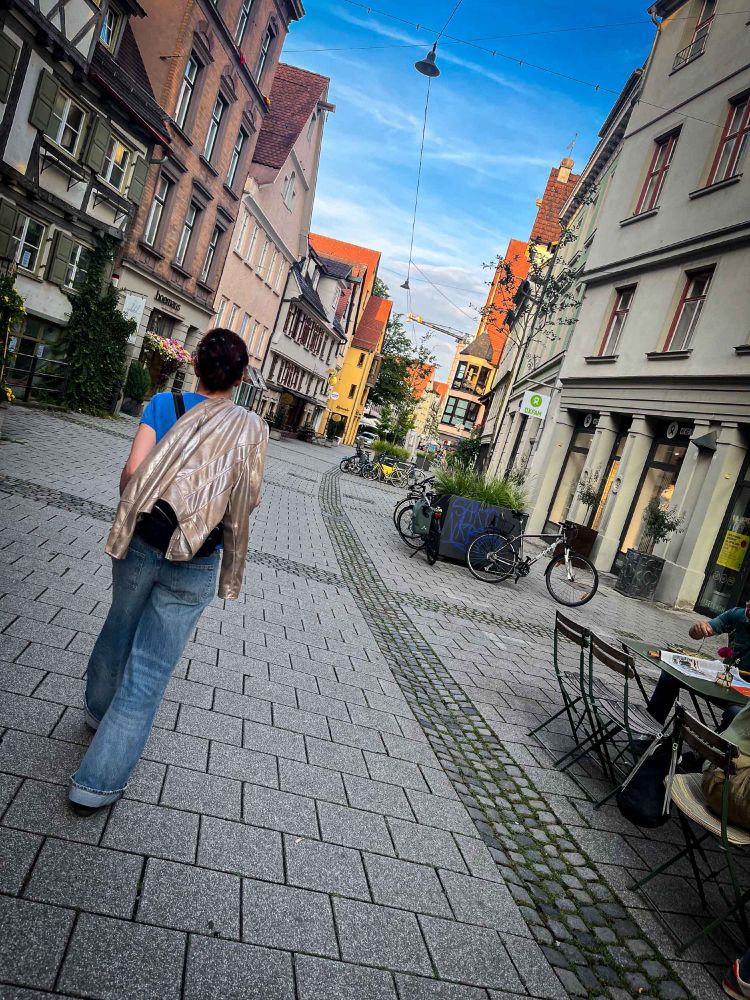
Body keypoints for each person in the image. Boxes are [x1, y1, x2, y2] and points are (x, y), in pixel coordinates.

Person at [68, 328, 268, 815]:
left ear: (196, 365)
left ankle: (98, 712)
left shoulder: (162, 403)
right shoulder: (250, 428)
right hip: (197, 558)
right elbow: (249, 500)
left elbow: (132, 473)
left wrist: (139, 514)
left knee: (120, 625)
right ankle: (95, 784)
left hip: (142, 541)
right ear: (240, 377)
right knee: (151, 670)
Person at [647, 602, 750, 726]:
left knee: (735, 713)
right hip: (724, 681)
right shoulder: (738, 614)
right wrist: (699, 629)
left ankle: (714, 744)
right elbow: (701, 631)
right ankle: (650, 731)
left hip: (745, 697)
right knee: (670, 676)